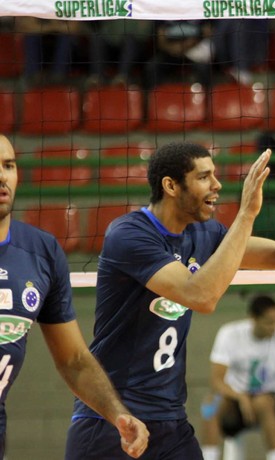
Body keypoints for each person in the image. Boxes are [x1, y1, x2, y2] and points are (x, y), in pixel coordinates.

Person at [65, 142, 275, 459]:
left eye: (214, 175)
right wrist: (246, 215)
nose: (217, 185)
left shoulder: (205, 234)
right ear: (171, 185)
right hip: (112, 420)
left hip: (169, 421)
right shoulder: (129, 234)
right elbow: (201, 295)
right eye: (204, 177)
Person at [0, 134, 149, 459]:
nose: (2, 176)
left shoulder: (41, 251)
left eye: (8, 165)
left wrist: (116, 413)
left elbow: (74, 360)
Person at [201, 295, 275, 460]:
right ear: (254, 318)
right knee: (209, 405)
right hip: (236, 402)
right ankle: (208, 456)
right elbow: (216, 380)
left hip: (272, 402)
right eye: (268, 322)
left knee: (262, 402)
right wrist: (241, 397)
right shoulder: (230, 333)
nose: (273, 327)